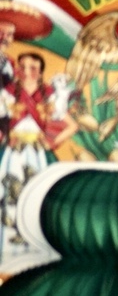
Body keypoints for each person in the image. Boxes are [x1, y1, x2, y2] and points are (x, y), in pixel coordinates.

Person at [0, 53, 71, 261]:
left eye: (33, 68)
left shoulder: (49, 95)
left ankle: (37, 250)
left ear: (40, 72)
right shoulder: (7, 93)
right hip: (13, 154)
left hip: (37, 154)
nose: (27, 72)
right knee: (7, 192)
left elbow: (72, 125)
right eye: (22, 67)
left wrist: (52, 142)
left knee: (38, 195)